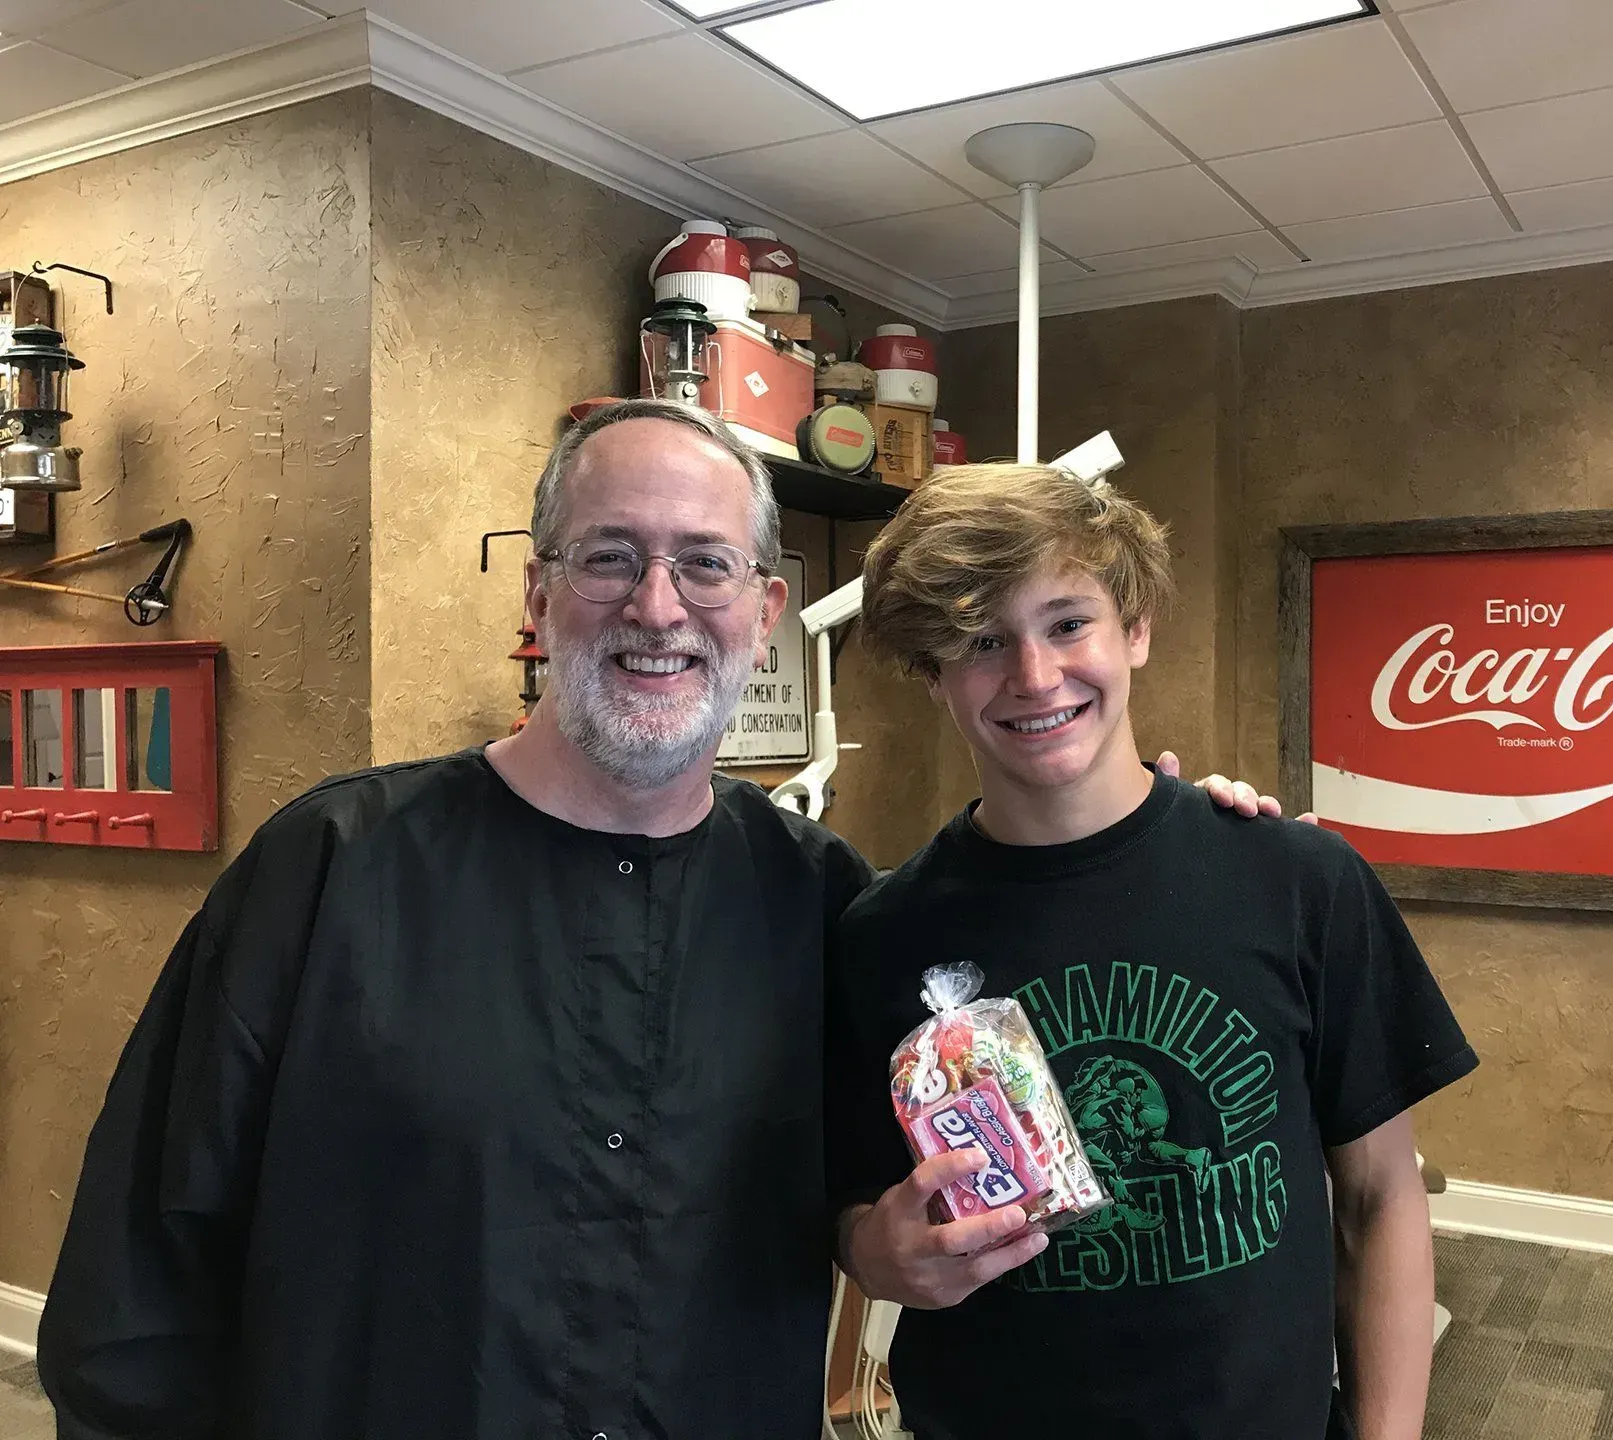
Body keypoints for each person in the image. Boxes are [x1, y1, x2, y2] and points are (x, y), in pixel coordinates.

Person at [35, 399, 1281, 1440]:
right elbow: (139, 1274)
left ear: (766, 605)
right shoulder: (331, 870)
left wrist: (1170, 835)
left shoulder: (822, 900)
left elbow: (884, 1186)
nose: (659, 606)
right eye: (609, 556)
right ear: (539, 592)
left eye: (704, 562)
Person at [827, 463, 1479, 1440]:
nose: (1035, 676)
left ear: (1135, 629)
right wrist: (875, 1256)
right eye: (980, 640)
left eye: (1066, 621)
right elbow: (849, 1210)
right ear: (930, 672)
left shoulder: (1298, 881)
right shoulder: (881, 937)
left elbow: (1382, 1198)